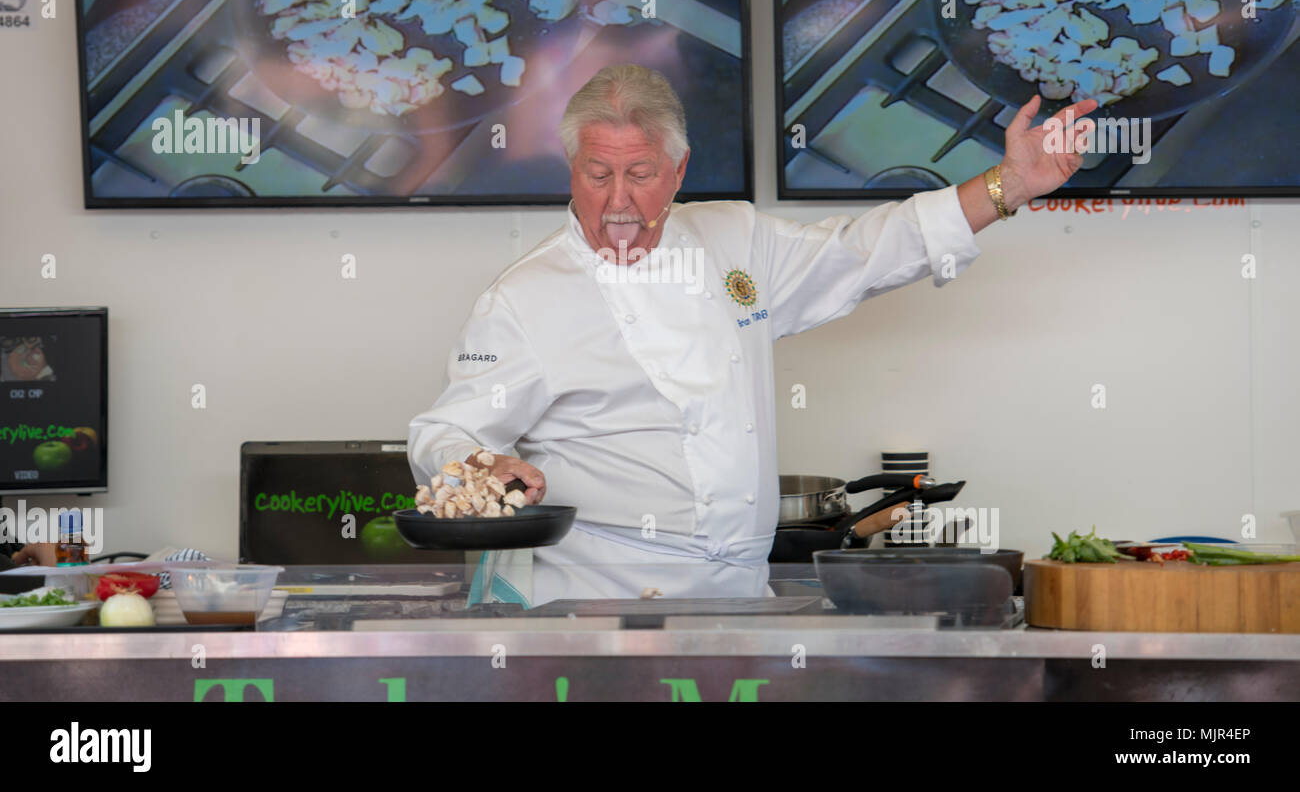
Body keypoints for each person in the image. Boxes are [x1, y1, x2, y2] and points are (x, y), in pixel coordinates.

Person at [409, 64, 1094, 605]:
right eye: (598, 174)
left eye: (641, 174)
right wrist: (481, 465)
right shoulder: (524, 298)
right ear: (573, 172)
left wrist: (1010, 184)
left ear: (678, 172)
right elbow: (442, 434)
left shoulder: (735, 239)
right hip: (597, 596)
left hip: (734, 592)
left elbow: (867, 251)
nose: (618, 199)